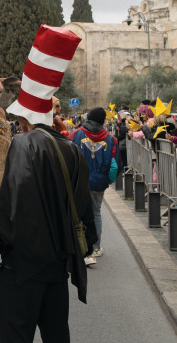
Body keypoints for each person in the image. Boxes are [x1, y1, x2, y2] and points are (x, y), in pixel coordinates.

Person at [0, 25, 96, 343]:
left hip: (22, 270)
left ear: (24, 118)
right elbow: (84, 208)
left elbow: (8, 209)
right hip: (57, 269)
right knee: (57, 336)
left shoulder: (22, 145)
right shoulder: (72, 149)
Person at [71, 107, 118, 265]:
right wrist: (106, 181)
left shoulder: (75, 135)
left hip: (79, 182)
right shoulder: (110, 139)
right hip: (98, 183)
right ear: (103, 121)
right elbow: (114, 166)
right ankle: (96, 247)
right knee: (96, 213)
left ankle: (79, 246)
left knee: (78, 214)